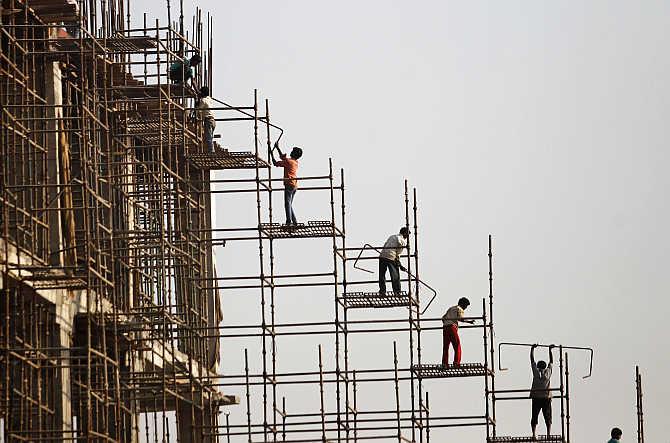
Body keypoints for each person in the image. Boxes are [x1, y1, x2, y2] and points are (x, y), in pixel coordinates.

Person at [271, 143, 302, 226]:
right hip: (294, 185)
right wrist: (277, 148)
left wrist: (271, 154)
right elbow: (283, 158)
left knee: (287, 204)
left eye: (292, 151)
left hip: (289, 184)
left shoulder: (289, 162)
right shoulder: (295, 162)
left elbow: (275, 163)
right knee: (289, 204)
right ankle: (295, 222)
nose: (291, 152)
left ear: (294, 154)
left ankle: (289, 221)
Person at [530, 344, 554, 440]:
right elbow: (551, 362)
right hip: (545, 398)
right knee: (547, 417)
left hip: (537, 398)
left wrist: (532, 349)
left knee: (534, 417)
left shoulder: (536, 372)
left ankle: (534, 434)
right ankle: (548, 434)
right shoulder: (547, 372)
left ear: (538, 367)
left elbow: (532, 360)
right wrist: (550, 350)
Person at [441, 297, 474, 367]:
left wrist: (447, 322)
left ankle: (444, 364)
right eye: (466, 306)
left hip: (445, 327)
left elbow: (443, 318)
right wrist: (469, 321)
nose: (466, 308)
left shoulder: (451, 308)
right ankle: (456, 363)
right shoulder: (460, 309)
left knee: (446, 347)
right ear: (463, 304)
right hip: (452, 328)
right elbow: (460, 318)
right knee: (457, 346)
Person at [378, 227, 409, 294]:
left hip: (382, 256)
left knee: (382, 275)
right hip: (391, 257)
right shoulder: (402, 241)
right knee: (395, 276)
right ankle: (397, 292)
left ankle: (382, 291)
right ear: (404, 233)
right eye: (407, 235)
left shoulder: (392, 236)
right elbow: (398, 254)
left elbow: (385, 245)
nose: (407, 237)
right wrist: (400, 266)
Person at [196, 86, 216, 152]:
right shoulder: (209, 99)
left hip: (208, 120)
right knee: (210, 137)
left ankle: (211, 152)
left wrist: (197, 104)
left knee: (208, 138)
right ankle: (211, 151)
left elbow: (199, 110)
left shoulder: (203, 100)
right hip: (213, 120)